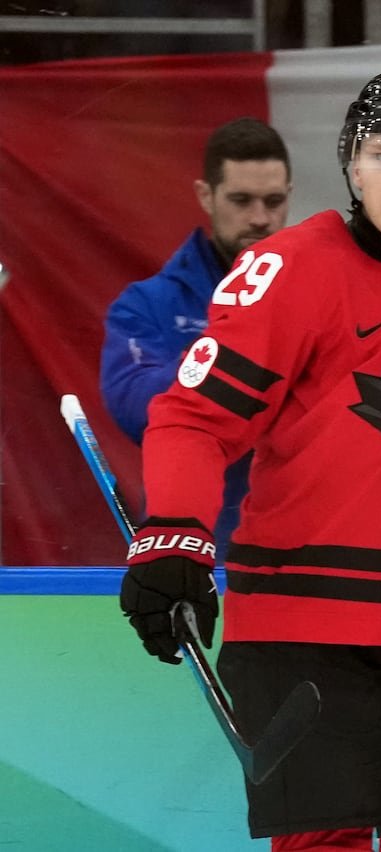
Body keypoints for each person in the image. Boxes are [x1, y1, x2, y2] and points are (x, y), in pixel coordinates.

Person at [118, 71, 381, 851]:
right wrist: (174, 534)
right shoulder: (290, 272)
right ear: (350, 165)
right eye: (378, 153)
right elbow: (192, 417)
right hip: (297, 619)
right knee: (324, 842)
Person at [100, 116, 292, 552]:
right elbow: (137, 411)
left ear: (290, 198)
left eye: (273, 201)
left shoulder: (325, 298)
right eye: (241, 200)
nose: (260, 218)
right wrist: (240, 343)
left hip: (306, 556)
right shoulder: (145, 304)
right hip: (194, 553)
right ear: (206, 196)